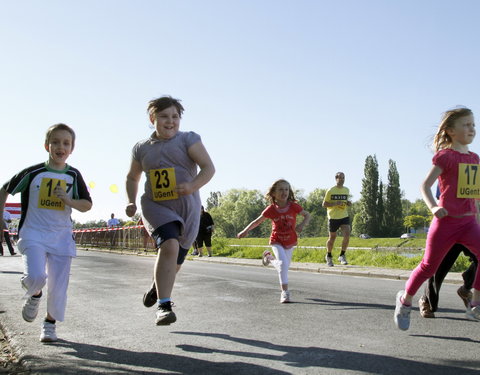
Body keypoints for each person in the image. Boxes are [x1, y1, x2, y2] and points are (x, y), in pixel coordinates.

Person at [125, 96, 215, 325]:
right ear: (152, 118)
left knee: (175, 260)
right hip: (156, 206)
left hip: (187, 208)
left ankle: (158, 287)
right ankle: (164, 306)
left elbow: (208, 168)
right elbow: (132, 177)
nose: (170, 121)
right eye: (164, 116)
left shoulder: (188, 139)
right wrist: (131, 201)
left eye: (175, 116)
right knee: (169, 245)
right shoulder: (141, 148)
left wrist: (192, 186)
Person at [0, 123, 92, 342]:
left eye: (66, 143)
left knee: (59, 288)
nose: (61, 146)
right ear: (46, 146)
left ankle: (49, 325)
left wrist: (69, 200)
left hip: (61, 236)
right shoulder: (33, 173)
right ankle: (35, 293)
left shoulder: (73, 175)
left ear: (72, 148)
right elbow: (4, 189)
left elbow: (87, 205)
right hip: (33, 233)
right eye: (56, 142)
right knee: (35, 276)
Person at [394, 107, 480, 331]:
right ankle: (405, 301)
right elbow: (425, 185)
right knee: (429, 267)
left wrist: (477, 217)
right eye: (466, 125)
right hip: (446, 222)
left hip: (469, 222)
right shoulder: (445, 156)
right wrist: (433, 206)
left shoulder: (474, 158)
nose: (472, 128)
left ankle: (475, 303)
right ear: (451, 131)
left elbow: (474, 195)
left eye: (473, 124)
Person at [237, 179, 311, 303]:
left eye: (286, 189)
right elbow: (257, 221)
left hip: (290, 240)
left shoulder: (293, 206)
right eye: (280, 190)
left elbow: (307, 215)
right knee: (282, 265)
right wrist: (245, 230)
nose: (284, 192)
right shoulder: (271, 209)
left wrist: (302, 225)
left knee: (285, 267)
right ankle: (285, 293)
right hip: (276, 240)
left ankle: (268, 258)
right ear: (274, 193)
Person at [419, 244, 477, 318]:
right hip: (450, 234)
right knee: (441, 266)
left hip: (469, 233)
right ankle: (426, 300)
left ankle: (466, 288)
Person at [322, 172, 352, 266]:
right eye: (340, 178)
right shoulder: (331, 190)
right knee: (332, 238)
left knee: (347, 234)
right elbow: (324, 204)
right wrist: (335, 204)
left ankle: (342, 255)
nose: (342, 180)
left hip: (344, 215)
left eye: (343, 178)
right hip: (333, 217)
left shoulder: (346, 190)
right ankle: (329, 256)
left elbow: (345, 200)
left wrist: (348, 203)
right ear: (336, 179)